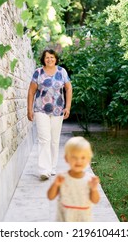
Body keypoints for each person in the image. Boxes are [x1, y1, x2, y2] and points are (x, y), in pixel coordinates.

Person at [27, 49, 72, 181]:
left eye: (52, 57)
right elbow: (31, 92)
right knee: (44, 139)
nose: (49, 59)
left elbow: (68, 88)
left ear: (56, 59)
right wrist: (29, 109)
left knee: (54, 140)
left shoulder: (61, 72)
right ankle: (44, 170)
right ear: (43, 59)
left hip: (58, 111)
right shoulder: (38, 72)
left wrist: (67, 107)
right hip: (41, 110)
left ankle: (52, 166)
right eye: (47, 57)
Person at [47, 136, 100, 222]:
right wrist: (55, 184)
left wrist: (94, 189)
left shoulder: (89, 179)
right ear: (66, 158)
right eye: (74, 157)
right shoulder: (62, 177)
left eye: (83, 158)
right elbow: (50, 196)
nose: (78, 161)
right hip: (65, 217)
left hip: (83, 218)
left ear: (88, 159)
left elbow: (95, 200)